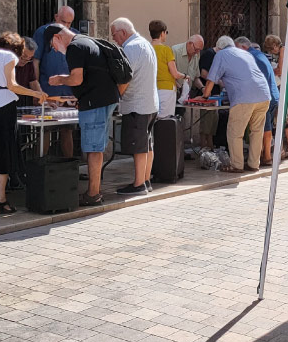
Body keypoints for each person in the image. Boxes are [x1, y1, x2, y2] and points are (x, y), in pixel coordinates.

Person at [0, 32, 49, 214]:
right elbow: (12, 85)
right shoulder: (8, 56)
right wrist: (37, 94)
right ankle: (0, 199)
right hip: (2, 105)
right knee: (3, 151)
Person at [48, 26, 121, 206]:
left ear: (58, 37)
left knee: (93, 148)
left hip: (95, 102)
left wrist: (59, 80)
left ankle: (93, 194)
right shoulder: (88, 41)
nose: (55, 50)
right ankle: (95, 191)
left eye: (53, 45)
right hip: (105, 98)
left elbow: (76, 79)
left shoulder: (74, 47)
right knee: (96, 147)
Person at [202, 36, 271, 173]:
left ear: (219, 47)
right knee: (256, 132)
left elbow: (211, 79)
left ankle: (237, 165)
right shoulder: (246, 53)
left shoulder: (221, 54)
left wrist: (205, 95)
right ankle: (253, 164)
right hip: (263, 94)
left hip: (244, 98)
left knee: (235, 133)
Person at [112, 18, 159, 196]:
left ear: (123, 32)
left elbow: (124, 78)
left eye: (114, 35)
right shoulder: (146, 44)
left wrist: (116, 97)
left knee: (139, 147)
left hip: (137, 106)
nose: (114, 39)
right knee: (147, 144)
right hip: (150, 104)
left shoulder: (130, 48)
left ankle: (139, 184)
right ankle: (146, 180)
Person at [32, 6, 76, 157]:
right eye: (63, 21)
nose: (66, 26)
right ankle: (41, 167)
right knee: (45, 129)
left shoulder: (74, 35)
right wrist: (36, 89)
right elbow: (35, 61)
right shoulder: (43, 32)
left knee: (67, 130)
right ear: (56, 17)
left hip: (69, 92)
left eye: (70, 23)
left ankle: (70, 168)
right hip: (47, 90)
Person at [235, 37, 279, 165]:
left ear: (243, 47)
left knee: (261, 127)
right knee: (267, 126)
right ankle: (265, 155)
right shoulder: (259, 55)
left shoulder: (250, 57)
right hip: (272, 94)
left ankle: (263, 157)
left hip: (263, 96)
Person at [150, 20, 189, 118]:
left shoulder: (147, 48)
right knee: (165, 121)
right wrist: (185, 76)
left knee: (153, 120)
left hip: (152, 88)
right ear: (162, 33)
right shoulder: (166, 50)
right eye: (166, 32)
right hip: (166, 89)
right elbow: (174, 73)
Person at [196, 45, 221, 150]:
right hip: (207, 94)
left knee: (213, 123)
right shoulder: (209, 54)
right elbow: (204, 74)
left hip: (215, 94)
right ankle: (204, 148)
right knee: (206, 123)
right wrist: (220, 82)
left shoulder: (218, 55)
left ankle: (210, 147)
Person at [15, 38, 42, 107]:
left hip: (23, 103)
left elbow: (33, 82)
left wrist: (43, 100)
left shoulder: (29, 63)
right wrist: (34, 93)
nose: (25, 61)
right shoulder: (8, 63)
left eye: (29, 58)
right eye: (24, 57)